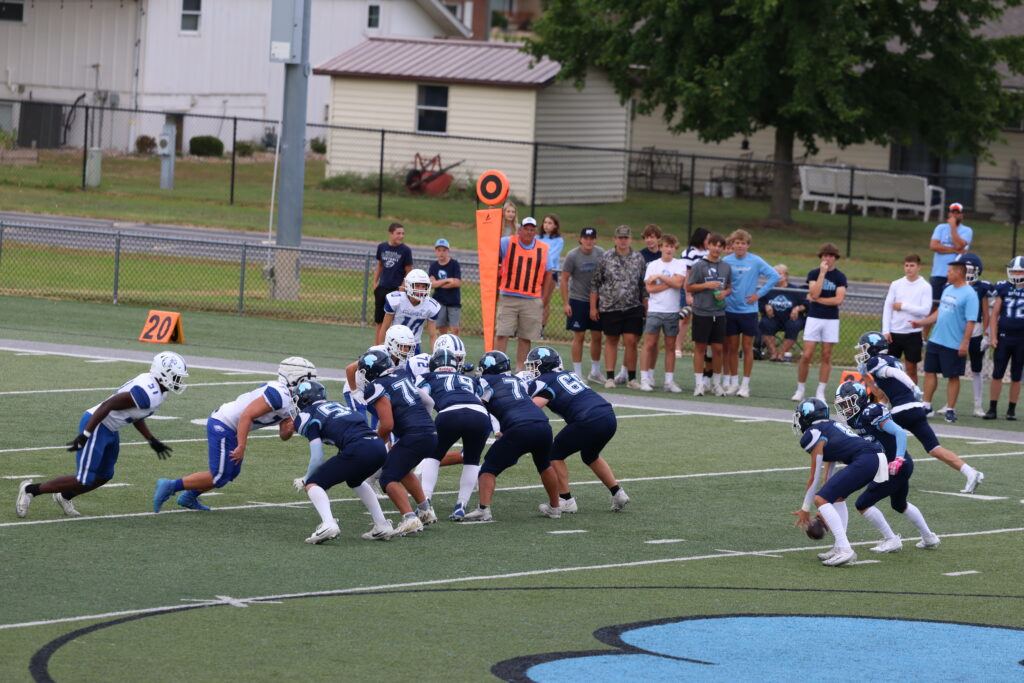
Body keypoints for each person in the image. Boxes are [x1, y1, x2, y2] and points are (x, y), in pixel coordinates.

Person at [17, 352, 188, 518]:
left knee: (104, 475)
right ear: (163, 373)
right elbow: (107, 405)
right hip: (97, 424)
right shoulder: (147, 392)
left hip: (111, 428)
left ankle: (64, 496)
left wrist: (151, 439)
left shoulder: (159, 391)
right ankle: (30, 490)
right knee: (83, 478)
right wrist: (86, 434)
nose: (178, 381)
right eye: (176, 376)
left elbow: (135, 414)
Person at [153, 356, 315, 512]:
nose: (311, 384)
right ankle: (170, 485)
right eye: (307, 380)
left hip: (233, 427)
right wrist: (241, 446)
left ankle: (189, 496)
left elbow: (283, 435)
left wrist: (292, 425)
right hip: (223, 423)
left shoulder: (293, 399)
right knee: (219, 475)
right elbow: (246, 415)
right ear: (295, 378)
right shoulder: (279, 393)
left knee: (230, 473)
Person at [855, 331, 984, 493]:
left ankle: (872, 472)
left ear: (873, 348)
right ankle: (971, 473)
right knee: (934, 448)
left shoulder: (876, 362)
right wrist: (866, 377)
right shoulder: (892, 360)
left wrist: (913, 386)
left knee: (872, 431)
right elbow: (882, 395)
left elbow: (895, 373)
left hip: (903, 410)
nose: (862, 352)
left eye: (864, 348)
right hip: (915, 408)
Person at [834, 380, 940, 554]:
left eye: (848, 403)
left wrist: (898, 459)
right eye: (843, 404)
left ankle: (891, 539)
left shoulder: (871, 412)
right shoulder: (855, 419)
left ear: (860, 399)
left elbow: (900, 432)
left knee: (863, 503)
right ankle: (929, 537)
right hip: (893, 464)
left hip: (895, 465)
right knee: (899, 504)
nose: (845, 408)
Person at [526, 346, 629, 513]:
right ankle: (618, 493)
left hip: (588, 419)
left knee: (553, 454)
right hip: (608, 416)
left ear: (544, 364)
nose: (531, 369)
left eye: (534, 365)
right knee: (590, 456)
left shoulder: (544, 381)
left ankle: (566, 500)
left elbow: (533, 407)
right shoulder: (568, 374)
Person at [464, 351, 562, 521]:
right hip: (543, 424)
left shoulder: (486, 381)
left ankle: (483, 509)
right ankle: (555, 507)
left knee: (488, 469)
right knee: (545, 465)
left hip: (519, 427)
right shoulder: (517, 380)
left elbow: (481, 403)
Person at [290, 381, 393, 544]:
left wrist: (306, 478)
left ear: (303, 399)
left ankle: (328, 524)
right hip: (378, 446)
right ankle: (382, 524)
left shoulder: (308, 415)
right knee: (355, 480)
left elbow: (317, 457)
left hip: (359, 447)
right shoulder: (338, 406)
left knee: (314, 483)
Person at [790, 398, 889, 567]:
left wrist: (806, 508)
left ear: (807, 417)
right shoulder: (830, 426)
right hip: (875, 458)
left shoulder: (813, 433)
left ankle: (845, 549)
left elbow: (814, 475)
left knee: (820, 499)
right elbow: (829, 468)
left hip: (867, 459)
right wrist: (827, 498)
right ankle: (839, 546)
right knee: (836, 497)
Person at [360, 348, 438, 537]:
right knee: (401, 469)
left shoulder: (376, 386)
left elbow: (387, 424)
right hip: (431, 432)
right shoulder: (402, 374)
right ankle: (425, 510)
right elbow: (428, 401)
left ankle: (410, 518)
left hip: (414, 435)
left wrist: (376, 445)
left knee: (388, 477)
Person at [415, 348, 491, 521]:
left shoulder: (426, 377)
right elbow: (485, 395)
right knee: (472, 460)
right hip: (479, 415)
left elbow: (421, 397)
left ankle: (426, 501)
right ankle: (461, 506)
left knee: (433, 456)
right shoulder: (469, 379)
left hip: (450, 413)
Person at [911, 257, 978, 423]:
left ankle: (950, 410)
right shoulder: (947, 289)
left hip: (954, 343)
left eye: (949, 272)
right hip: (936, 339)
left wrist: (964, 343)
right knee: (929, 372)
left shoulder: (970, 294)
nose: (947, 274)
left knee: (953, 376)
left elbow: (971, 321)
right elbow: (939, 312)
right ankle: (926, 405)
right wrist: (921, 323)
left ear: (959, 273)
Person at [722, 229, 780, 397]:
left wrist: (758, 294)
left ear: (747, 245)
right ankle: (734, 383)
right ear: (732, 244)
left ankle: (745, 385)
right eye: (737, 243)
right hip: (730, 310)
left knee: (747, 347)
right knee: (732, 348)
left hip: (748, 311)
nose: (740, 246)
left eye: (743, 243)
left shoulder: (755, 260)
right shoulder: (725, 261)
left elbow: (774, 276)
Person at [590, 224, 647, 390]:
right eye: (620, 238)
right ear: (615, 239)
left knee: (631, 341)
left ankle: (632, 378)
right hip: (610, 306)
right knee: (611, 339)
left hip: (632, 306)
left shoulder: (638, 258)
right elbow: (595, 283)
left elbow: (643, 284)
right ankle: (609, 377)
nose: (623, 241)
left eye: (626, 238)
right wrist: (593, 307)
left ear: (630, 239)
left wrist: (646, 306)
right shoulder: (605, 257)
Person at [792, 243, 847, 402]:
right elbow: (814, 293)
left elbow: (838, 300)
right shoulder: (814, 273)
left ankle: (820, 391)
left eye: (830, 256)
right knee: (807, 355)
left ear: (835, 258)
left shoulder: (840, 277)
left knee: (826, 355)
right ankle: (800, 389)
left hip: (831, 319)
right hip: (814, 317)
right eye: (824, 256)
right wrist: (822, 273)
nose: (827, 259)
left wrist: (817, 299)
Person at [495, 217, 551, 370]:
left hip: (532, 299)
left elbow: (549, 274)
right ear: (520, 230)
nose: (529, 232)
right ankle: (499, 367)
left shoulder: (543, 248)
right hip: (509, 296)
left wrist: (544, 299)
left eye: (532, 229)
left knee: (526, 337)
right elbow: (491, 252)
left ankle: (521, 370)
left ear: (535, 232)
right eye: (526, 228)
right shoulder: (507, 242)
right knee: (502, 333)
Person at [685, 233, 731, 396]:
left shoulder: (726, 266)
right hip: (702, 311)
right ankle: (699, 384)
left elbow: (729, 287)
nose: (717, 249)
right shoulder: (699, 265)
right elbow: (689, 286)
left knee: (718, 348)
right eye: (714, 245)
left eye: (720, 246)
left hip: (719, 312)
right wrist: (706, 285)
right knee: (700, 348)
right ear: (708, 246)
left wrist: (724, 293)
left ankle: (716, 384)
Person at [640, 233, 686, 392]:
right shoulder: (652, 265)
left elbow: (679, 284)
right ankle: (644, 379)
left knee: (670, 347)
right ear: (660, 247)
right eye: (666, 246)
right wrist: (670, 282)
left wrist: (660, 276)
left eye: (672, 247)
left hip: (672, 311)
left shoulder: (679, 264)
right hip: (655, 310)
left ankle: (669, 382)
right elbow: (649, 288)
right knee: (649, 344)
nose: (669, 249)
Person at [881, 254, 933, 385]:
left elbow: (925, 310)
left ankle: (912, 395)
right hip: (894, 333)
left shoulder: (925, 286)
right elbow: (888, 308)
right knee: (889, 368)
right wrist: (886, 330)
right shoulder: (896, 284)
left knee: (911, 370)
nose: (909, 268)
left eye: (912, 265)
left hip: (913, 334)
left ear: (919, 267)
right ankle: (888, 396)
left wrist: (903, 306)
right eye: (906, 265)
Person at [561, 227, 605, 383]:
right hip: (578, 300)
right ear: (580, 239)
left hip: (597, 300)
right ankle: (577, 373)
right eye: (586, 238)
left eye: (592, 238)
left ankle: (595, 372)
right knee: (579, 336)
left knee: (597, 336)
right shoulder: (572, 255)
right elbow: (564, 279)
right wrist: (565, 303)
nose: (589, 241)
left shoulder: (601, 253)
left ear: (595, 240)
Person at [985, 256, 1024, 420]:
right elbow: (994, 315)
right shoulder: (1003, 287)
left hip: (1021, 339)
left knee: (1016, 375)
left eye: (1020, 271)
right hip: (1004, 337)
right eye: (1014, 271)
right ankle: (992, 408)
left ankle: (1011, 410)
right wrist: (993, 336)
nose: (1016, 274)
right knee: (997, 373)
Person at [958, 253, 994, 417]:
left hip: (976, 331)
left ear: (978, 270)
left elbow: (986, 313)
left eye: (971, 269)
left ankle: (978, 405)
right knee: (954, 370)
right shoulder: (955, 286)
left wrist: (986, 334)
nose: (968, 272)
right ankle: (950, 404)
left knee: (976, 369)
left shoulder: (981, 287)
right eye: (965, 268)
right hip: (958, 331)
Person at [380, 268, 440, 354]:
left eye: (423, 286)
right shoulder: (397, 300)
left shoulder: (431, 306)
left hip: (413, 345)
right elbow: (385, 327)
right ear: (408, 285)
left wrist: (436, 354)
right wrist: (381, 347)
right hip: (394, 343)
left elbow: (433, 335)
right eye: (417, 286)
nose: (420, 290)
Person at [372, 222, 413, 343]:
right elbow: (380, 265)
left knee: (393, 323)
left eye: (403, 233)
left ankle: (392, 348)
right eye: (398, 233)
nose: (401, 236)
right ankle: (377, 347)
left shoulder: (406, 250)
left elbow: (409, 272)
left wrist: (402, 287)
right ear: (390, 234)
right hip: (382, 288)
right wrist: (375, 282)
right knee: (379, 321)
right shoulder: (382, 247)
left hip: (396, 290)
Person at [758, 264, 806, 362]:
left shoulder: (795, 289)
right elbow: (759, 303)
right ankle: (773, 353)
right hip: (773, 318)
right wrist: (765, 306)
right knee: (765, 323)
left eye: (779, 274)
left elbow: (806, 304)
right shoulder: (767, 288)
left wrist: (798, 308)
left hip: (791, 318)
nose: (776, 276)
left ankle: (782, 354)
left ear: (786, 276)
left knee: (793, 325)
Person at [675, 227, 710, 360]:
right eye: (707, 239)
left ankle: (701, 349)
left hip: (704, 290)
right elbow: (687, 274)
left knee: (703, 320)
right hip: (690, 289)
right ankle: (677, 347)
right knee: (685, 318)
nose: (709, 242)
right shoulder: (689, 253)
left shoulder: (708, 253)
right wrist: (688, 294)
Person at [929, 202, 972, 308]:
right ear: (949, 214)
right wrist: (955, 250)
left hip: (955, 274)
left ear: (962, 215)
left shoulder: (967, 230)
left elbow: (959, 245)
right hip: (938, 273)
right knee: (934, 304)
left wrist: (953, 227)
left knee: (950, 305)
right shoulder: (940, 228)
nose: (954, 215)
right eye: (952, 212)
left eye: (957, 213)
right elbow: (934, 246)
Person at [428, 238, 462, 337]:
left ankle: (455, 345)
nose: (441, 253)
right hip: (439, 301)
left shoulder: (454, 264)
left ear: (448, 251)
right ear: (435, 251)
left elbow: (457, 282)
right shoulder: (434, 266)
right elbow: (432, 284)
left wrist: (438, 283)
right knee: (442, 328)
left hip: (453, 301)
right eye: (439, 250)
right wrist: (448, 280)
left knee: (455, 329)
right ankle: (444, 344)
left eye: (444, 250)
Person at [538, 213, 565, 333]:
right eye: (545, 222)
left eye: (550, 223)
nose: (547, 225)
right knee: (531, 301)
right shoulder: (537, 238)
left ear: (555, 226)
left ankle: (540, 329)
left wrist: (540, 259)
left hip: (550, 273)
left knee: (545, 300)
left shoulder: (559, 240)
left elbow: (552, 256)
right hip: (536, 272)